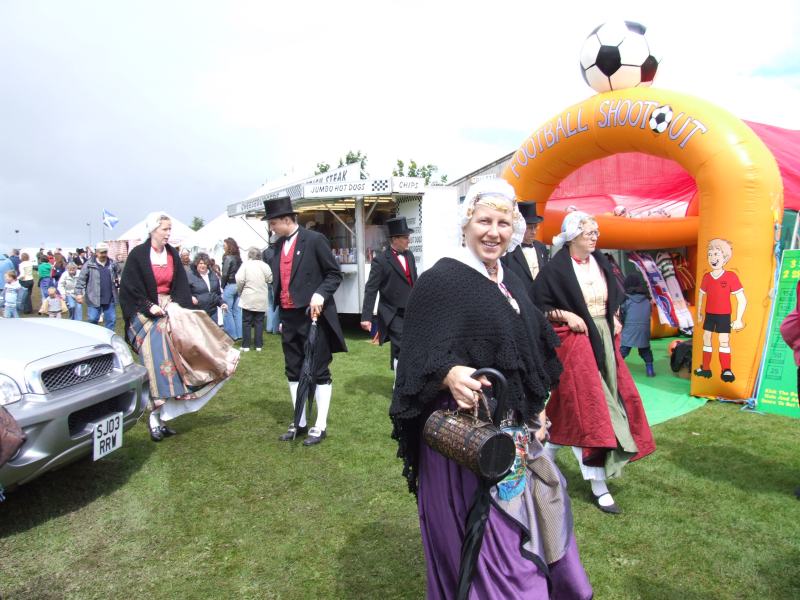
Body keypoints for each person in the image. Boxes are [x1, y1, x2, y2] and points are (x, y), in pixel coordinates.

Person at [391, 179, 592, 599]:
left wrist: (535, 410)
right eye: (484, 220)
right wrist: (447, 372)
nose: (493, 231)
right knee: (492, 547)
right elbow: (416, 351)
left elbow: (531, 349)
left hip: (514, 434)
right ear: (466, 223)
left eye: (503, 222)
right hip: (464, 442)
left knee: (535, 527)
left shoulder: (511, 280)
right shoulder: (442, 278)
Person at [533, 211, 655, 514]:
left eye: (596, 231)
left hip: (603, 339)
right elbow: (537, 307)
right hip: (574, 341)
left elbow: (614, 295)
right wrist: (566, 315)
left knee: (571, 405)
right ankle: (598, 484)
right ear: (573, 234)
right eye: (589, 231)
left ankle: (543, 455)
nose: (595, 235)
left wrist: (613, 316)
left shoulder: (601, 261)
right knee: (593, 407)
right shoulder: (555, 270)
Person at [119, 213, 239, 442]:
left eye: (169, 229)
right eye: (165, 229)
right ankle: (155, 417)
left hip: (169, 309)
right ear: (153, 230)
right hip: (146, 314)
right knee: (157, 363)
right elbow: (130, 288)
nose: (168, 233)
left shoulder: (172, 254)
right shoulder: (138, 255)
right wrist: (149, 306)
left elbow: (179, 286)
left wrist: (173, 303)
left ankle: (219, 361)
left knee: (184, 353)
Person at [265, 196, 347, 446]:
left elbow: (335, 274)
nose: (271, 228)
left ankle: (319, 426)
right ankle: (299, 421)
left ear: (287, 220)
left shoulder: (315, 240)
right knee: (293, 369)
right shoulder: (276, 248)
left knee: (319, 370)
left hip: (312, 316)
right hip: (288, 317)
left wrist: (319, 294)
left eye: (273, 223)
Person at [360, 216, 417, 370]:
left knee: (401, 347)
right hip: (392, 312)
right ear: (395, 239)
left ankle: (396, 385)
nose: (408, 241)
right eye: (405, 238)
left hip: (410, 311)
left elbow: (414, 282)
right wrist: (366, 317)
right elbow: (371, 289)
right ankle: (400, 385)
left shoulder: (410, 256)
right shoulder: (381, 261)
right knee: (403, 346)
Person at [694, 238, 747, 383]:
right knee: (706, 337)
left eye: (716, 254)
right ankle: (706, 368)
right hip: (710, 314)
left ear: (725, 258)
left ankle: (726, 370)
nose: (713, 258)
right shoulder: (707, 277)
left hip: (724, 315)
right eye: (710, 254)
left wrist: (738, 319)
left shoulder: (730, 277)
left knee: (724, 340)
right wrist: (698, 312)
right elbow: (700, 295)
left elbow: (742, 299)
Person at [500, 202, 549, 299]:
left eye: (536, 227)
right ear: (520, 227)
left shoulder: (541, 247)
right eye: (529, 228)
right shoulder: (507, 251)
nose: (534, 232)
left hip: (540, 302)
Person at [75, 242, 121, 331]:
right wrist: (78, 293)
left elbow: (118, 274)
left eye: (105, 252)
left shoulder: (113, 263)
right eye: (101, 252)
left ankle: (108, 340)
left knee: (111, 320)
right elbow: (81, 280)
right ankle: (94, 338)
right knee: (93, 319)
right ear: (96, 252)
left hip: (109, 297)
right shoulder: (89, 264)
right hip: (93, 297)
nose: (103, 254)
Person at [236, 246, 273, 352]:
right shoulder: (265, 265)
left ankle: (246, 345)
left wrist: (240, 291)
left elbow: (239, 279)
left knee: (246, 321)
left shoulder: (246, 265)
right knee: (259, 321)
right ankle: (258, 345)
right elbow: (270, 279)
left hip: (248, 296)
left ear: (249, 255)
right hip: (261, 296)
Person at [620, 272, 655, 377]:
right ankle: (650, 370)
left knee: (623, 350)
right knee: (645, 350)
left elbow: (622, 313)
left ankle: (615, 370)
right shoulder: (647, 299)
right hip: (644, 329)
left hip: (630, 328)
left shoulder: (626, 299)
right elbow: (649, 312)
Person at [187, 252, 226, 320]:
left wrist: (222, 303)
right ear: (196, 264)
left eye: (205, 263)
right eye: (200, 263)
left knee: (213, 330)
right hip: (198, 312)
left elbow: (217, 294)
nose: (203, 265)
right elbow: (184, 292)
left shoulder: (213, 276)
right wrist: (191, 297)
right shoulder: (190, 276)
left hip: (212, 312)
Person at [221, 238, 243, 341]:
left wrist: (222, 285)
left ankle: (231, 334)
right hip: (238, 286)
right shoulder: (238, 258)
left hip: (230, 285)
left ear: (228, 246)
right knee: (237, 310)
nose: (223, 246)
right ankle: (239, 334)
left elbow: (225, 273)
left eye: (224, 245)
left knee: (226, 310)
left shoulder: (227, 258)